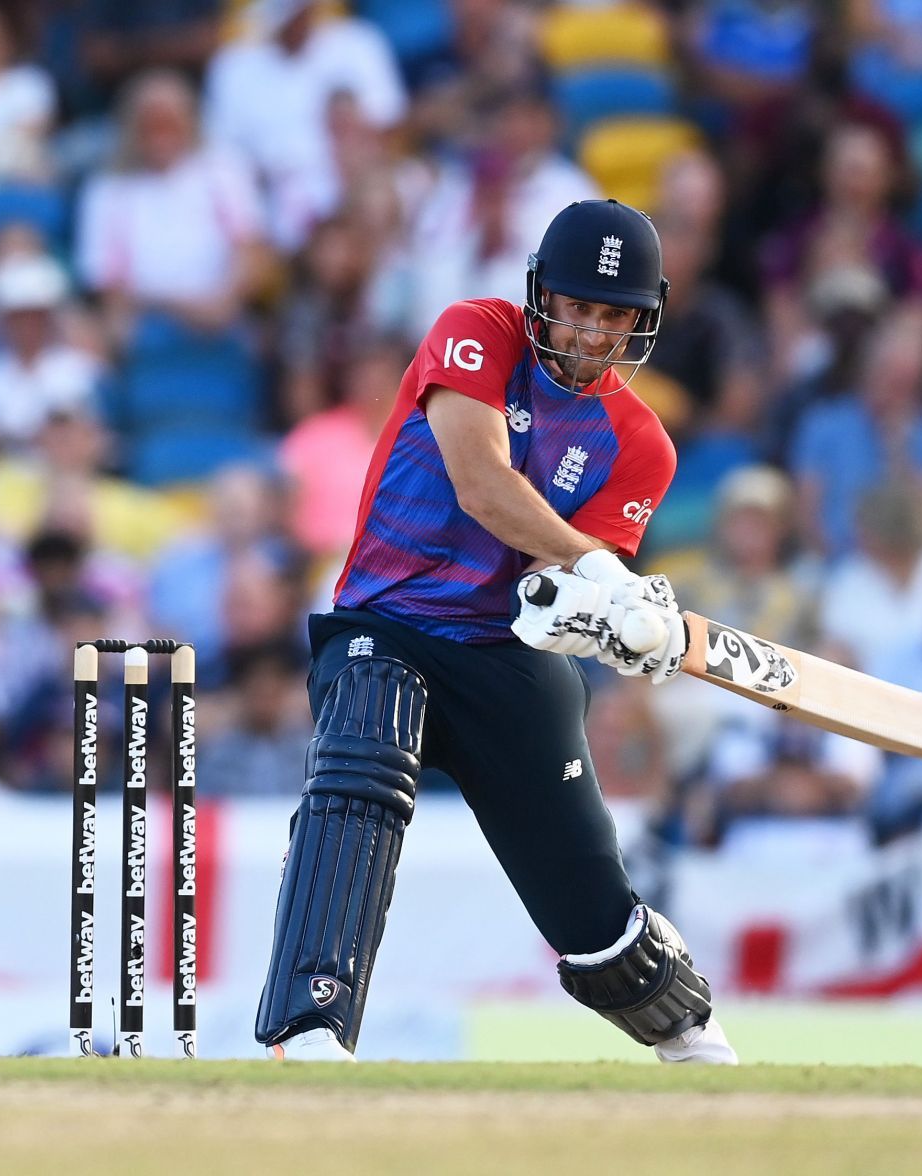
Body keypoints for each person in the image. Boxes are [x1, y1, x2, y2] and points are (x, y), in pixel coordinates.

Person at [255, 199, 737, 1064]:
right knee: (362, 763)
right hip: (388, 622)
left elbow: (555, 591)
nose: (589, 333)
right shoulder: (475, 331)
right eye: (576, 307)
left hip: (507, 655)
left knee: (590, 907)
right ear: (540, 296)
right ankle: (313, 1024)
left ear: (641, 321)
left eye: (611, 316)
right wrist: (605, 571)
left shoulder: (642, 446)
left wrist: (622, 621)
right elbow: (481, 481)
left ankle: (690, 1036)